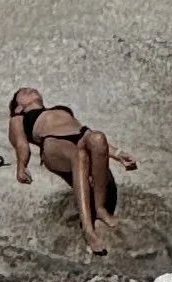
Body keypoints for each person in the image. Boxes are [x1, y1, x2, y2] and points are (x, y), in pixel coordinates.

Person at [8, 88, 136, 254]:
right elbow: (21, 144)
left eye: (31, 89)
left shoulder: (60, 109)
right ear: (18, 106)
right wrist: (21, 166)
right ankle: (88, 230)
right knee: (80, 156)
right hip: (53, 143)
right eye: (23, 92)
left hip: (81, 136)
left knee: (98, 137)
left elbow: (85, 132)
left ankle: (100, 209)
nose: (29, 89)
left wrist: (118, 155)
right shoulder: (19, 118)